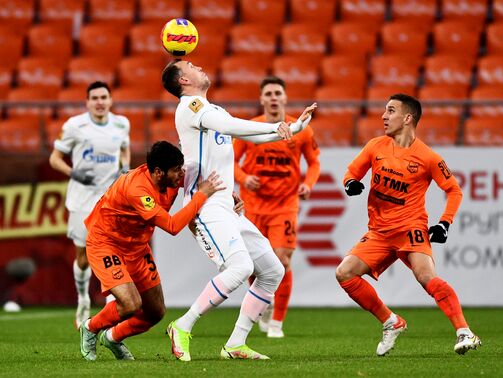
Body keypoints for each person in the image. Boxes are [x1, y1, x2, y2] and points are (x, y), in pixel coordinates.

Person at [161, 59, 317, 361]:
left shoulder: (214, 109)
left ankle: (235, 344)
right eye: (191, 66)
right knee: (241, 268)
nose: (199, 66)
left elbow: (250, 134)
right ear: (183, 81)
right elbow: (230, 127)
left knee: (273, 270)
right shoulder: (189, 107)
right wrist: (276, 124)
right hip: (205, 206)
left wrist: (294, 128)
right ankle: (182, 325)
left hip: (227, 206)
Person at [335, 94, 481, 356]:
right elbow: (351, 172)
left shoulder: (427, 157)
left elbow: (454, 190)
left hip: (410, 228)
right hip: (379, 231)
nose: (383, 116)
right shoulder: (375, 146)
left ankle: (465, 332)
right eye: (384, 110)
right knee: (344, 273)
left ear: (407, 118)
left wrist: (444, 223)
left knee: (426, 277)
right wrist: (350, 183)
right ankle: (391, 322)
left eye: (390, 111)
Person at [78, 141, 224, 361]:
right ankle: (90, 327)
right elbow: (173, 226)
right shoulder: (137, 189)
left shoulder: (172, 177)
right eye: (176, 170)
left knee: (155, 312)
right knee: (130, 304)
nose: (181, 174)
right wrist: (200, 197)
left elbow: (199, 185)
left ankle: (113, 337)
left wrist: (230, 199)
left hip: (136, 246)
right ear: (158, 172)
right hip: (106, 243)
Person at [233, 76, 320, 338]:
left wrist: (309, 184)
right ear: (261, 99)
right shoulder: (250, 128)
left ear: (284, 98)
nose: (273, 97)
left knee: (282, 260)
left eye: (277, 93)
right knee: (253, 264)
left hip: (285, 205)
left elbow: (314, 163)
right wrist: (244, 178)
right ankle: (263, 305)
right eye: (268, 93)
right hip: (253, 205)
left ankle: (277, 323)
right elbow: (232, 162)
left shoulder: (300, 128)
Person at [49, 81, 131, 328]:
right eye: (94, 98)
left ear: (110, 100)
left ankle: (113, 303)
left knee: (116, 251)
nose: (99, 102)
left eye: (104, 97)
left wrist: (124, 169)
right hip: (82, 199)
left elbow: (124, 150)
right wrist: (74, 174)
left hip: (109, 198)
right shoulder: (75, 126)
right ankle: (83, 298)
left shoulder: (122, 123)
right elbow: (54, 159)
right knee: (83, 256)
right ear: (87, 102)